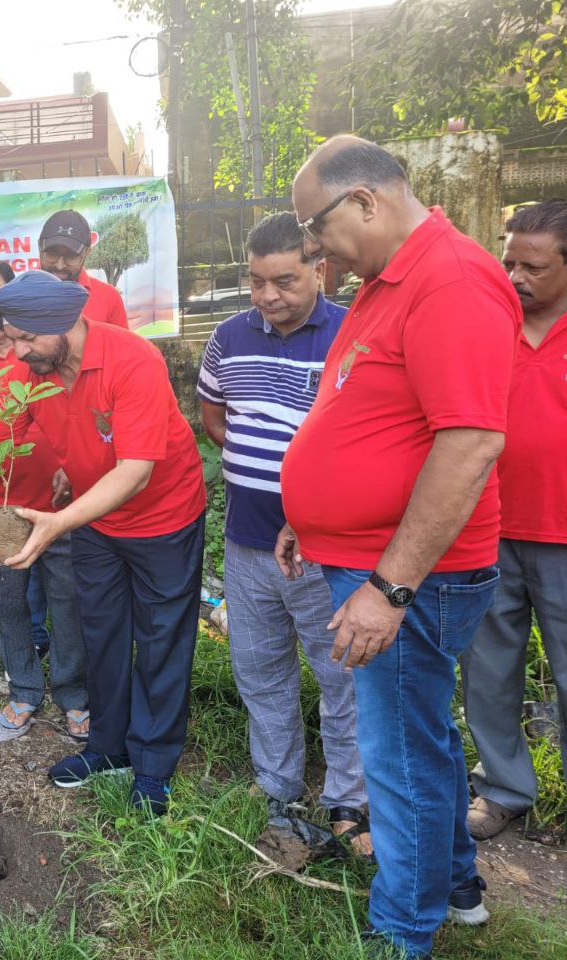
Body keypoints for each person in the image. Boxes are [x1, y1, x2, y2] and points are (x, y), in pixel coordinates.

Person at [280, 136, 519, 959]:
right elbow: (361, 412)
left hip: (410, 575)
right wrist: (304, 514)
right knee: (423, 736)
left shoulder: (450, 282)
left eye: (318, 230)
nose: (315, 250)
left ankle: (402, 931)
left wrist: (389, 588)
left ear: (367, 203)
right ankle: (453, 886)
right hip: (364, 554)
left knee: (400, 753)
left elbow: (470, 444)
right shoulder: (389, 281)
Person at [0, 269, 206, 816]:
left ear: (62, 323)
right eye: (8, 337)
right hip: (98, 522)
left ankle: (154, 764)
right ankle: (108, 747)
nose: (15, 350)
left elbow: (135, 470)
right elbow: (2, 445)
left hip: (163, 519)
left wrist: (57, 523)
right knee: (103, 635)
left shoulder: (132, 360)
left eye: (24, 337)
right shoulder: (36, 375)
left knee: (161, 640)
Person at [198, 213, 369, 855]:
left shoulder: (353, 331)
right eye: (257, 281)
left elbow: (369, 438)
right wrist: (264, 464)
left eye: (285, 281)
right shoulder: (227, 336)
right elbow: (213, 413)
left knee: (342, 674)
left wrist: (308, 492)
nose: (269, 295)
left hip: (329, 548)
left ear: (319, 267)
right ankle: (278, 784)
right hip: (246, 539)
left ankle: (349, 799)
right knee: (260, 668)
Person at [0, 259, 89, 736]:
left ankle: (73, 693)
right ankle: (24, 689)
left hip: (56, 505)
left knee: (67, 600)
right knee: (8, 603)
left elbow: (77, 420)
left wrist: (71, 464)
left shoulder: (43, 354)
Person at [461, 199, 567, 841]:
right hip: (488, 528)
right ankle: (503, 787)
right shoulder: (487, 324)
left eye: (533, 266)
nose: (516, 278)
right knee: (488, 670)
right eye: (509, 263)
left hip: (563, 537)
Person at [37, 209, 129, 328]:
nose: (60, 265)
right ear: (39, 246)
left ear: (86, 253)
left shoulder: (109, 298)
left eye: (70, 256)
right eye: (52, 254)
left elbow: (122, 345)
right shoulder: (20, 295)